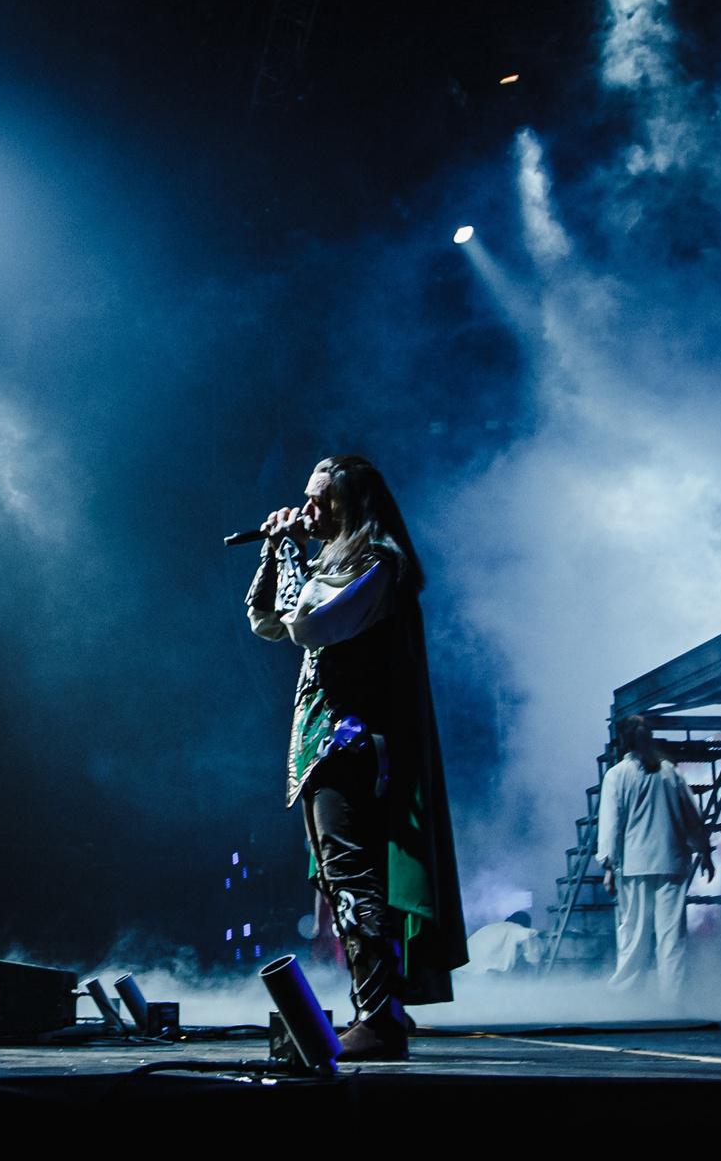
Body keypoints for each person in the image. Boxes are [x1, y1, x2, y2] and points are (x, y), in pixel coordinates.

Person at [247, 454, 469, 1061]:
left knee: (351, 876)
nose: (308, 510)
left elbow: (309, 626)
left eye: (322, 501)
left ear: (354, 505)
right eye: (307, 498)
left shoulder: (376, 564)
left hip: (350, 744)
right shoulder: (332, 565)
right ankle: (379, 1008)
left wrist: (290, 553)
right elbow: (267, 621)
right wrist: (275, 552)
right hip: (321, 744)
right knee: (341, 877)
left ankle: (378, 1018)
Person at [597, 713, 713, 1001]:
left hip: (635, 865)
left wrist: (608, 866)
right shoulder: (669, 772)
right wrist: (704, 850)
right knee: (671, 936)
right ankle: (673, 999)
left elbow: (611, 823)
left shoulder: (617, 775)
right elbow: (692, 816)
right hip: (672, 861)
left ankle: (626, 996)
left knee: (634, 934)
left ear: (622, 741)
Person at [463, 910, 538, 976]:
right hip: (479, 973)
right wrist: (535, 959)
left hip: (462, 969)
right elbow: (529, 934)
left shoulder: (492, 927)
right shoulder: (516, 928)